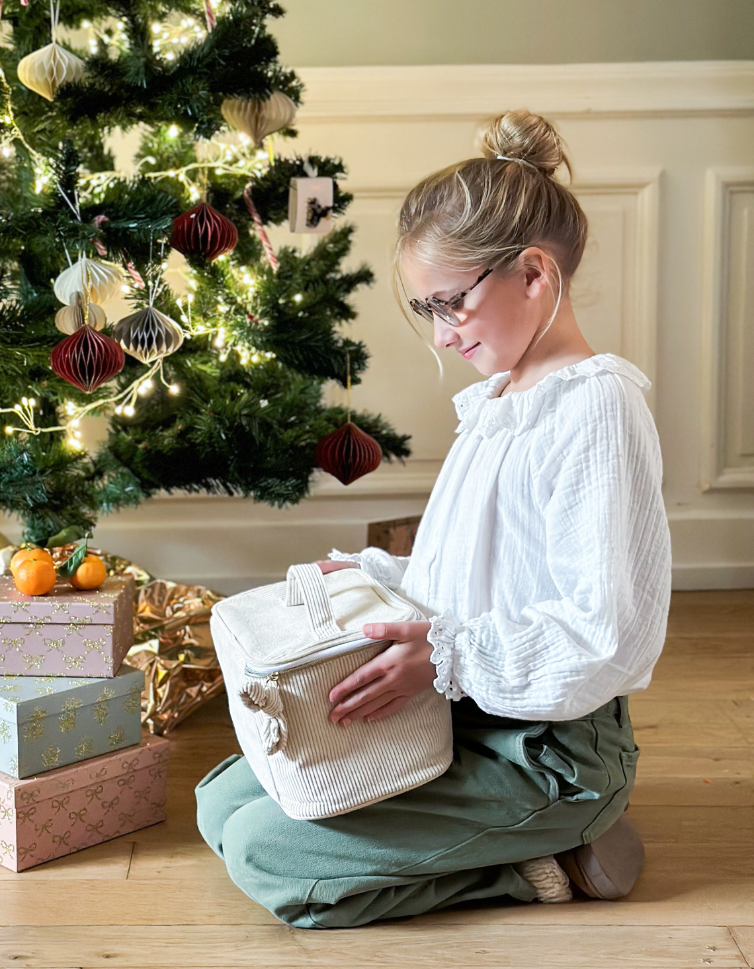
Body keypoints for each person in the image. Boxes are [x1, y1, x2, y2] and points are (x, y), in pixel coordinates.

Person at [194, 109, 672, 929]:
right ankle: (498, 841)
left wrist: (443, 654)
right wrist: (384, 579)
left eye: (451, 304)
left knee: (268, 853)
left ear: (534, 275)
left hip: (548, 753)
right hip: (461, 710)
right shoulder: (498, 400)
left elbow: (607, 633)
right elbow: (489, 575)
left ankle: (543, 862)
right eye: (429, 311)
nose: (444, 335)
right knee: (221, 802)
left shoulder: (596, 409)